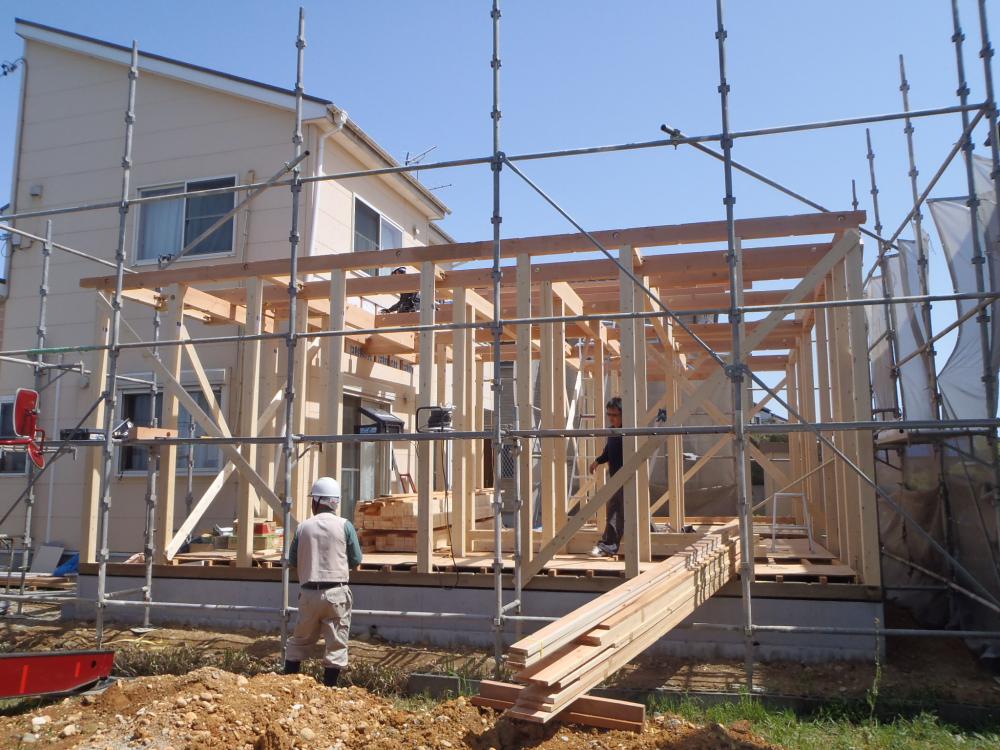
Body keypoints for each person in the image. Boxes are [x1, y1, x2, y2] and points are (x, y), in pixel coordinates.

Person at [284, 476, 363, 687]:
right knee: (336, 644)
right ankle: (329, 689)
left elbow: (293, 560)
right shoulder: (345, 526)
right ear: (335, 502)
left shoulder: (303, 527)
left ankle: (287, 685)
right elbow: (356, 559)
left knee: (300, 640)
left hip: (309, 593)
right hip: (336, 593)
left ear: (317, 501)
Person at [588, 397, 625, 557]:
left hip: (627, 477)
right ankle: (609, 543)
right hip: (616, 477)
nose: (611, 418)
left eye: (614, 415)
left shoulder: (628, 432)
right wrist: (598, 461)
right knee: (618, 509)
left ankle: (609, 545)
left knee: (615, 511)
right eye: (609, 414)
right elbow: (608, 452)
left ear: (623, 414)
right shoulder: (612, 432)